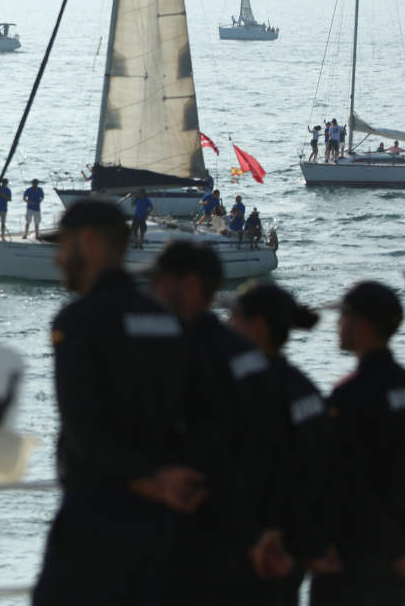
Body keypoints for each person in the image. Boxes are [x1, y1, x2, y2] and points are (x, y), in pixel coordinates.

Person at [32, 200, 210, 605]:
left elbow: (84, 430)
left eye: (64, 246)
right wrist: (170, 479)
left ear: (90, 242)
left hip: (96, 518)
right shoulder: (170, 322)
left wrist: (147, 477)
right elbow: (202, 417)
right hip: (163, 528)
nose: (58, 259)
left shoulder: (79, 321)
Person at [148, 241, 292, 604]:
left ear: (190, 285)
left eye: (159, 280)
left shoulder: (169, 351)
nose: (152, 289)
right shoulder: (247, 355)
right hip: (247, 527)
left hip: (185, 526)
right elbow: (274, 445)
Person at [310, 281, 405, 606]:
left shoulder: (351, 395)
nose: (338, 326)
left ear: (362, 325)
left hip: (357, 553)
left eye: (342, 318)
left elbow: (347, 481)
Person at [228, 283, 331, 606]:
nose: (228, 325)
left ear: (257, 326)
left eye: (234, 316)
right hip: (293, 547)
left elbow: (254, 469)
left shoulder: (242, 388)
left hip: (246, 546)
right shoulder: (307, 390)